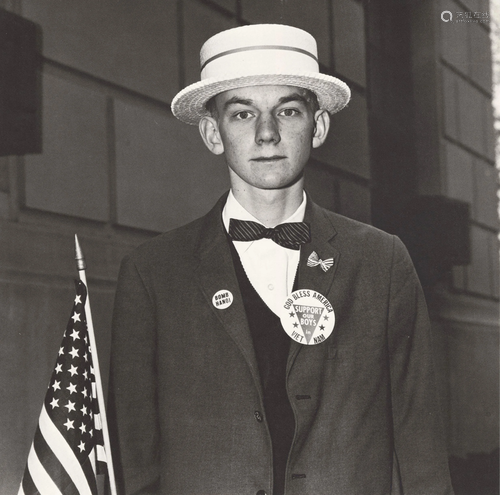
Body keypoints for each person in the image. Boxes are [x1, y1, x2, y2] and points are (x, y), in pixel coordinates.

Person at [108, 24, 454, 495]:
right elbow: (134, 459)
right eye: (243, 114)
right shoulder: (154, 273)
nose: (267, 133)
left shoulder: (381, 262)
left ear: (319, 126)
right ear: (212, 133)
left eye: (288, 111)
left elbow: (421, 446)